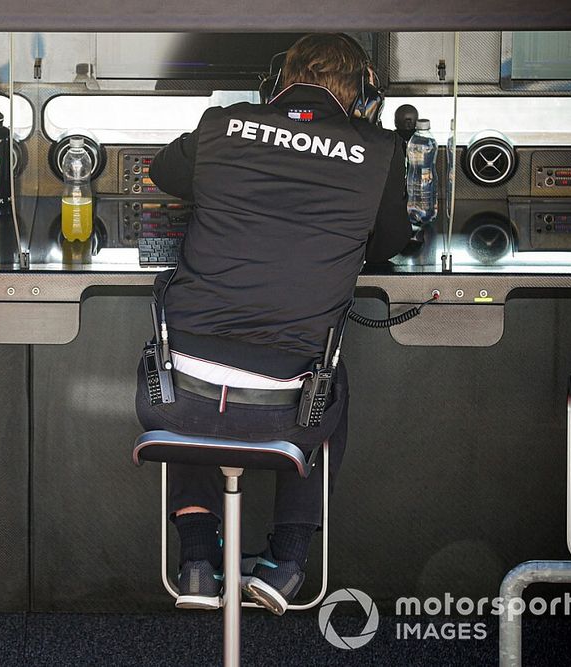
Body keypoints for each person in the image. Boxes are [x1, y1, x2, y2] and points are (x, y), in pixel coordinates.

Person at [136, 33, 410, 613]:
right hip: (290, 404)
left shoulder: (223, 124)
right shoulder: (378, 148)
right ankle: (284, 561)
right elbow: (388, 242)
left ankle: (195, 562)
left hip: (174, 396)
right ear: (362, 96)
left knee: (199, 383)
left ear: (276, 83)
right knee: (328, 380)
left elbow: (161, 174)